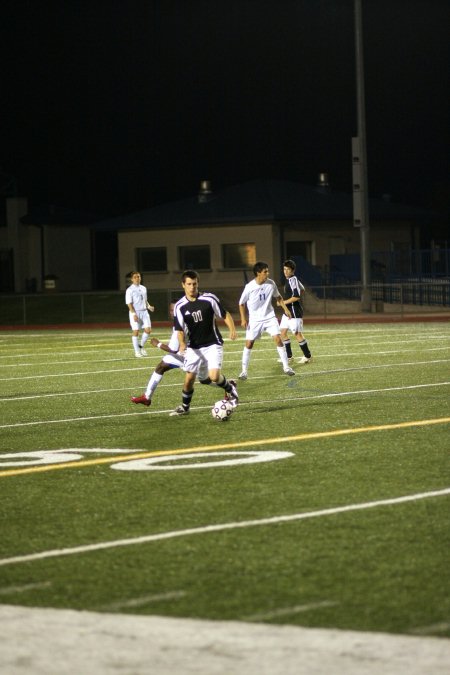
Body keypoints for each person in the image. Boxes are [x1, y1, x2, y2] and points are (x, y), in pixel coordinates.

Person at [169, 269, 238, 416]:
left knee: (213, 377)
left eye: (194, 284)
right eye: (189, 284)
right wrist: (182, 344)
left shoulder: (209, 299)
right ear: (183, 285)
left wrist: (232, 329)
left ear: (198, 283)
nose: (192, 287)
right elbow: (179, 330)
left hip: (213, 343)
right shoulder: (180, 306)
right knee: (189, 379)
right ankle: (185, 407)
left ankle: (231, 390)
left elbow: (224, 314)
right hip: (194, 347)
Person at [130, 302, 217, 407]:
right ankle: (147, 397)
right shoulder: (185, 319)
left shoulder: (179, 327)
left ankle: (228, 385)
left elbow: (173, 349)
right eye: (171, 310)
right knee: (161, 366)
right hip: (186, 354)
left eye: (175, 309)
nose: (173, 312)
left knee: (205, 380)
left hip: (193, 357)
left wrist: (158, 344)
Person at [238, 261, 295, 380]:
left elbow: (278, 297)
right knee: (249, 343)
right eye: (265, 272)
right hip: (255, 320)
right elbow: (241, 303)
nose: (268, 273)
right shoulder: (250, 287)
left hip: (269, 317)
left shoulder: (271, 283)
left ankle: (286, 367)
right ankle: (243, 371)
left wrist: (285, 309)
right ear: (258, 273)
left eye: (267, 271)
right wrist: (243, 319)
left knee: (278, 339)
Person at [279, 259, 312, 364]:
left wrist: (283, 302)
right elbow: (302, 289)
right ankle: (289, 357)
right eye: (284, 269)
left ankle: (308, 356)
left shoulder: (293, 279)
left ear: (292, 270)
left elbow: (297, 296)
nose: (285, 271)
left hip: (294, 311)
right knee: (282, 333)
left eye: (288, 269)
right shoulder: (291, 279)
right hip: (287, 311)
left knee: (297, 334)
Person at [125, 271, 154, 358]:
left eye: (138, 277)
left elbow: (144, 300)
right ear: (132, 279)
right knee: (136, 331)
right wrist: (133, 314)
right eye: (135, 277)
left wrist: (149, 306)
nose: (137, 278)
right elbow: (129, 303)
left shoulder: (144, 288)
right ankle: (137, 352)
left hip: (144, 312)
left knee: (148, 330)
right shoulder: (130, 290)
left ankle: (140, 346)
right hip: (135, 312)